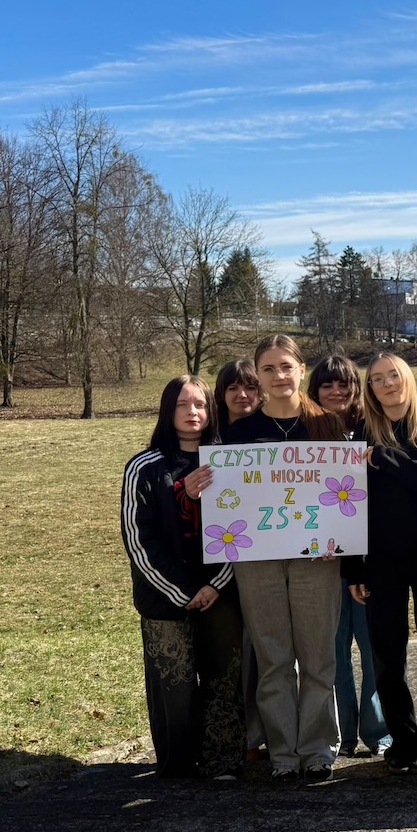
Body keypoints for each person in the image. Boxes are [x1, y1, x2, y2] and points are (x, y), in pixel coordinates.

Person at [226, 335, 348, 782]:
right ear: (257, 376)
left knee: (317, 657)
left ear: (301, 369)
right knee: (273, 657)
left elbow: (347, 496)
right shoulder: (238, 434)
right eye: (269, 369)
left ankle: (318, 750)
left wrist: (335, 538)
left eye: (286, 367)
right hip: (257, 560)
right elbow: (231, 498)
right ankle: (282, 752)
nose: (279, 376)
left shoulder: (328, 426)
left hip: (318, 558)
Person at [120, 375, 245, 780]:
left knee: (223, 676)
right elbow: (140, 540)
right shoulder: (143, 467)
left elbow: (246, 531)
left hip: (221, 592)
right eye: (183, 405)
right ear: (167, 410)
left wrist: (215, 585)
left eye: (201, 405)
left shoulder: (230, 461)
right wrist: (185, 591)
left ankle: (223, 760)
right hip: (164, 597)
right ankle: (178, 764)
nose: (193, 413)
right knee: (173, 684)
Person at [344, 353, 417, 775]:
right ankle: (403, 739)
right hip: (381, 562)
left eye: (394, 376)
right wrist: (353, 567)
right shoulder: (358, 433)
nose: (388, 384)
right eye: (377, 379)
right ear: (369, 388)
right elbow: (348, 504)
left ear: (408, 378)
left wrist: (384, 459)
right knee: (387, 655)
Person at [308, 355, 391, 759]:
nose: (336, 392)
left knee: (375, 648)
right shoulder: (302, 434)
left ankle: (378, 731)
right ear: (315, 389)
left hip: (369, 560)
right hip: (321, 563)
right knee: (333, 651)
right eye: (327, 385)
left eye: (344, 384)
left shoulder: (371, 430)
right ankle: (341, 730)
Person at [214, 359, 267, 764]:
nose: (242, 395)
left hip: (263, 557)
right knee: (230, 654)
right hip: (219, 563)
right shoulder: (210, 440)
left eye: (249, 386)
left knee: (262, 653)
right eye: (233, 388)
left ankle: (259, 733)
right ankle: (238, 734)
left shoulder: (269, 435)